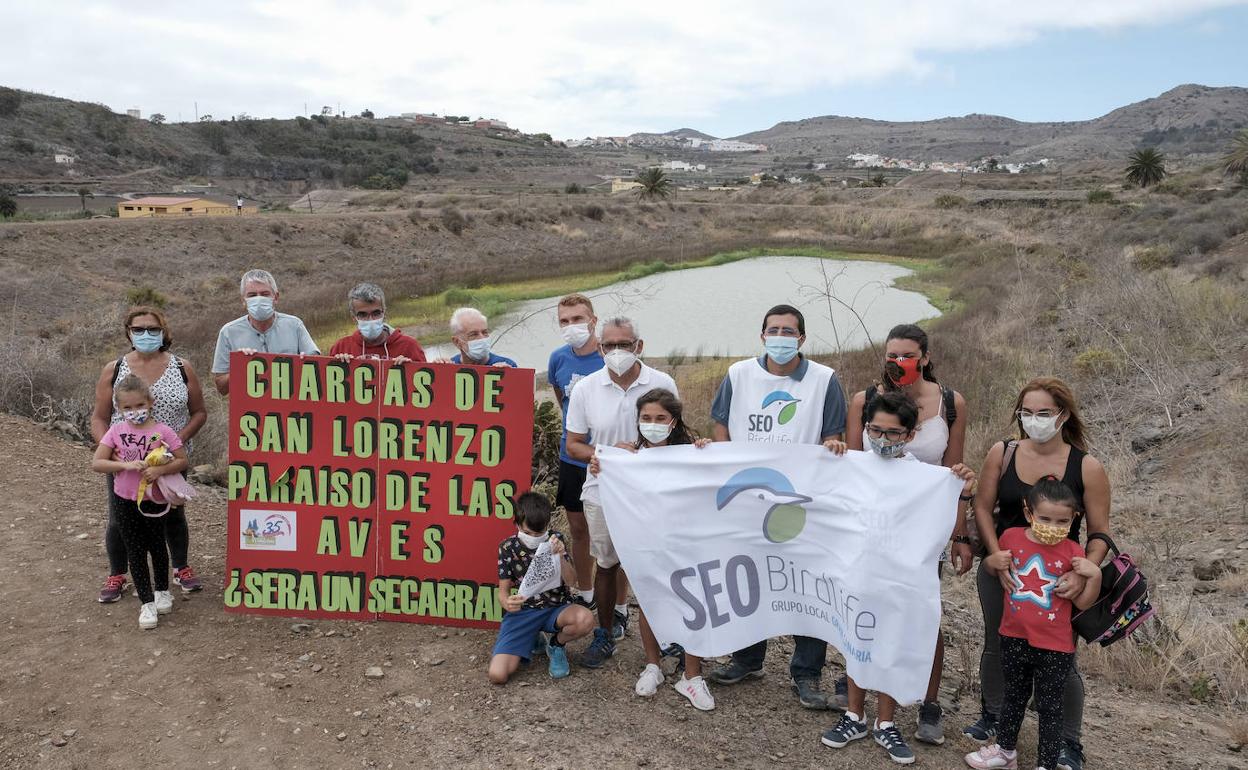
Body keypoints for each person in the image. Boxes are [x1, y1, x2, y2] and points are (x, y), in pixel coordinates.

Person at [821, 390, 976, 765]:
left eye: (893, 433)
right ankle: (854, 716)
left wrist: (962, 487)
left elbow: (952, 502)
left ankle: (886, 722)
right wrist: (828, 454)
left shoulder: (926, 477)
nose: (882, 439)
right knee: (856, 639)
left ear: (910, 435)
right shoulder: (853, 463)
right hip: (857, 573)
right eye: (875, 430)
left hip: (899, 580)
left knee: (890, 642)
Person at [705, 303, 847, 710]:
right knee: (748, 580)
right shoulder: (738, 374)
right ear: (762, 334)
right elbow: (721, 425)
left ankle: (806, 673)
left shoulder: (824, 380)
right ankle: (747, 658)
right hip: (749, 498)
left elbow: (833, 435)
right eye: (774, 329)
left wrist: (833, 446)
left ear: (802, 338)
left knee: (807, 585)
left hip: (802, 501)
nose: (781, 337)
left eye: (789, 331)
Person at [964, 378, 1111, 770]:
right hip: (1005, 572)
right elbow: (983, 507)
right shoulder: (1004, 452)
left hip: (1061, 580)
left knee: (1063, 661)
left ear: (1063, 415)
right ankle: (995, 722)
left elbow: (1100, 532)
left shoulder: (1087, 466)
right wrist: (994, 556)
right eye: (1026, 412)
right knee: (998, 646)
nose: (1035, 420)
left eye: (1044, 413)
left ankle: (1068, 742)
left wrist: (1086, 571)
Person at [844, 323, 971, 744]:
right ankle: (861, 698)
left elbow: (952, 474)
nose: (899, 363)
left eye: (907, 355)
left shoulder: (950, 403)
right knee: (865, 611)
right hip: (871, 529)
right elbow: (850, 468)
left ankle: (928, 702)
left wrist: (959, 534)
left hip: (922, 530)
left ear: (925, 357)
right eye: (892, 355)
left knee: (922, 613)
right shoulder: (865, 401)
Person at [587, 388, 715, 710]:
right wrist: (603, 467)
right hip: (647, 542)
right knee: (648, 599)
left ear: (673, 422)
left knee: (691, 602)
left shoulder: (690, 452)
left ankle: (692, 675)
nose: (653, 423)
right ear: (638, 420)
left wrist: (706, 452)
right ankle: (652, 665)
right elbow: (608, 483)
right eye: (646, 418)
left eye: (660, 418)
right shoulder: (628, 457)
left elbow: (712, 479)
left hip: (684, 542)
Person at [964, 479, 1102, 770]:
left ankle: (1046, 764)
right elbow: (992, 567)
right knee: (1013, 696)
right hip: (1013, 636)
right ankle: (1005, 751)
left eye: (1062, 521)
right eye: (1045, 518)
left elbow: (1083, 603)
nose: (1053, 526)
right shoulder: (1011, 538)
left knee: (1051, 707)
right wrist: (993, 561)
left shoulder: (1074, 552)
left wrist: (1095, 576)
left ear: (1073, 519)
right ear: (1029, 514)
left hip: (1056, 646)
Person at [565, 317, 677, 668]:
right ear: (599, 348)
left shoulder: (662, 382)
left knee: (657, 564)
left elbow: (676, 434)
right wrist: (602, 454)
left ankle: (669, 635)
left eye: (624, 345)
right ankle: (605, 632)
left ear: (638, 346)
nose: (616, 352)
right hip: (603, 491)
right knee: (608, 564)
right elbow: (573, 445)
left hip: (654, 494)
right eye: (609, 345)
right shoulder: (586, 389)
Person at [90, 306, 207, 602]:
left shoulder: (182, 367)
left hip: (170, 460)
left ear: (164, 331)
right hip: (125, 462)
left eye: (152, 329)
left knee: (173, 513)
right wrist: (110, 451)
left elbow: (199, 413)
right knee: (119, 518)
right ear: (128, 333)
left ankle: (180, 567)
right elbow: (99, 416)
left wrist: (176, 441)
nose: (146, 334)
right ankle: (118, 574)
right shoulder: (114, 369)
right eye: (138, 329)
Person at [91, 376, 189, 630]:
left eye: (139, 405)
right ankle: (146, 602)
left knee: (158, 545)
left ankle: (162, 590)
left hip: (155, 500)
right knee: (135, 550)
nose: (135, 412)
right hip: (125, 501)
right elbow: (97, 463)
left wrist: (160, 471)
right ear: (118, 409)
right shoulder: (116, 431)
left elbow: (182, 460)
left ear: (150, 402)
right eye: (127, 408)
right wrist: (124, 465)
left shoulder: (163, 431)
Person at [488, 492, 595, 684]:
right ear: (517, 524)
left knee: (585, 619)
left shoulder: (555, 539)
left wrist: (561, 556)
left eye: (539, 534)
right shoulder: (507, 547)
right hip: (525, 612)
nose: (534, 538)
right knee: (498, 675)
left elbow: (571, 581)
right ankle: (533, 636)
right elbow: (503, 592)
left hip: (557, 607)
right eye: (528, 533)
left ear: (547, 526)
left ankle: (556, 644)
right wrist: (507, 603)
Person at [546, 294, 604, 613]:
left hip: (605, 460)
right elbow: (562, 399)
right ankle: (585, 591)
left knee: (608, 535)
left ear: (593, 320)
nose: (572, 326)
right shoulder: (558, 359)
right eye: (564, 321)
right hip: (572, 458)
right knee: (579, 529)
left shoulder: (610, 356)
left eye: (578, 319)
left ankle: (615, 603)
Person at [211, 269, 319, 395]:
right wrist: (241, 367)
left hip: (292, 408)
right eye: (252, 295)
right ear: (243, 301)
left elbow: (317, 365)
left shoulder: (294, 325)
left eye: (264, 294)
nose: (259, 299)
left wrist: (305, 363)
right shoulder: (228, 332)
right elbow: (221, 387)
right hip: (251, 412)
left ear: (276, 297)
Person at [329, 282, 426, 362]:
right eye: (363, 315)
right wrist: (339, 365)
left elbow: (431, 383)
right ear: (354, 317)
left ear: (384, 313)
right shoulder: (341, 347)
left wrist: (409, 369)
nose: (370, 319)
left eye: (376, 313)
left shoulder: (409, 346)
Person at [447, 307, 517, 366]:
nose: (482, 338)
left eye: (485, 332)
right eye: (474, 334)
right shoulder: (451, 366)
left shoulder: (507, 365)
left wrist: (507, 376)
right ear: (457, 342)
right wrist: (438, 368)